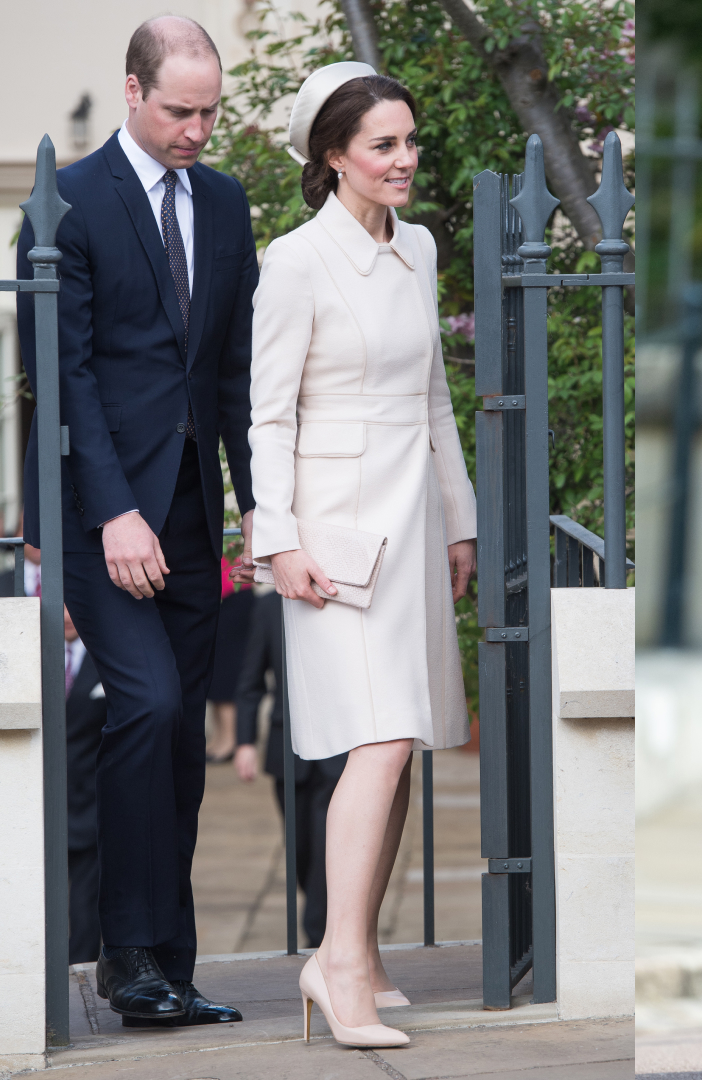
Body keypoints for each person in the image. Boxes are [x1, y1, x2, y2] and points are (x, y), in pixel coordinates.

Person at [18, 15, 257, 1028]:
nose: (197, 130)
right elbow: (62, 377)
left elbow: (234, 373)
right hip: (97, 515)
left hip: (195, 518)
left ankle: (167, 964)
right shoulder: (69, 203)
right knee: (149, 706)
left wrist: (260, 505)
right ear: (132, 90)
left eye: (210, 113)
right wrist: (114, 512)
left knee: (179, 742)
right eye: (178, 111)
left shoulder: (226, 202)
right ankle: (122, 951)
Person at [249, 62, 477, 1049]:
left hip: (414, 519)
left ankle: (366, 955)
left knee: (403, 739)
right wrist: (277, 540)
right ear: (334, 155)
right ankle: (334, 965)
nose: (405, 158)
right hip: (334, 534)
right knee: (377, 740)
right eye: (384, 144)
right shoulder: (295, 260)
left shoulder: (417, 247)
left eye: (409, 140)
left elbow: (434, 399)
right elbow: (266, 415)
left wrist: (460, 519)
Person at [232, 586, 347, 948]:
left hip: (340, 745)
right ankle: (323, 921)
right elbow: (250, 679)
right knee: (300, 852)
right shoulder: (268, 607)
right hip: (288, 750)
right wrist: (245, 741)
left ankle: (320, 939)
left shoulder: (343, 598)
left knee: (329, 848)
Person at [62, 606, 107, 967]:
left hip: (91, 800)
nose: (65, 615)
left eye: (71, 605)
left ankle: (80, 970)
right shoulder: (31, 656)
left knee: (87, 899)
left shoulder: (107, 655)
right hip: (39, 802)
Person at [204, 554, 256, 762]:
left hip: (233, 594)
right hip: (220, 595)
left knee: (225, 670)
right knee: (216, 670)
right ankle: (220, 737)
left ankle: (230, 740)